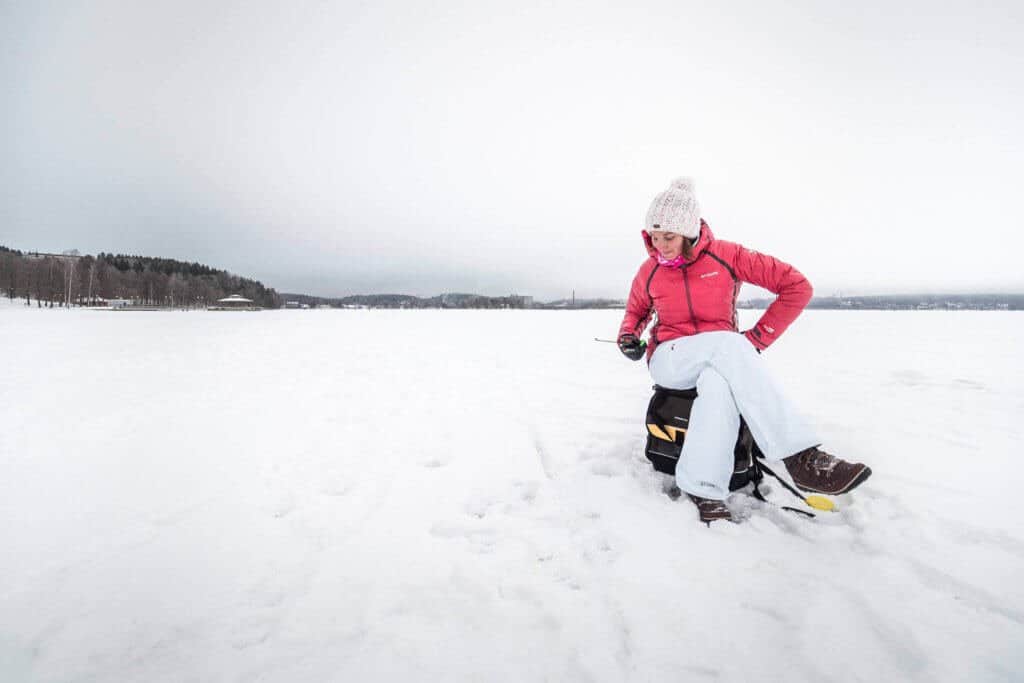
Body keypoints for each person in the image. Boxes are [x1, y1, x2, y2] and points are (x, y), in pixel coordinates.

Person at [617, 178, 871, 523]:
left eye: (669, 237)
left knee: (718, 384)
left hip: (721, 358)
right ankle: (799, 456)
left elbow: (796, 286)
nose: (660, 246)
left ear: (690, 231)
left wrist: (759, 338)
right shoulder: (648, 271)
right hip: (670, 357)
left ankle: (704, 488)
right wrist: (629, 336)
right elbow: (636, 312)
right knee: (730, 346)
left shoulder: (728, 256)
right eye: (654, 237)